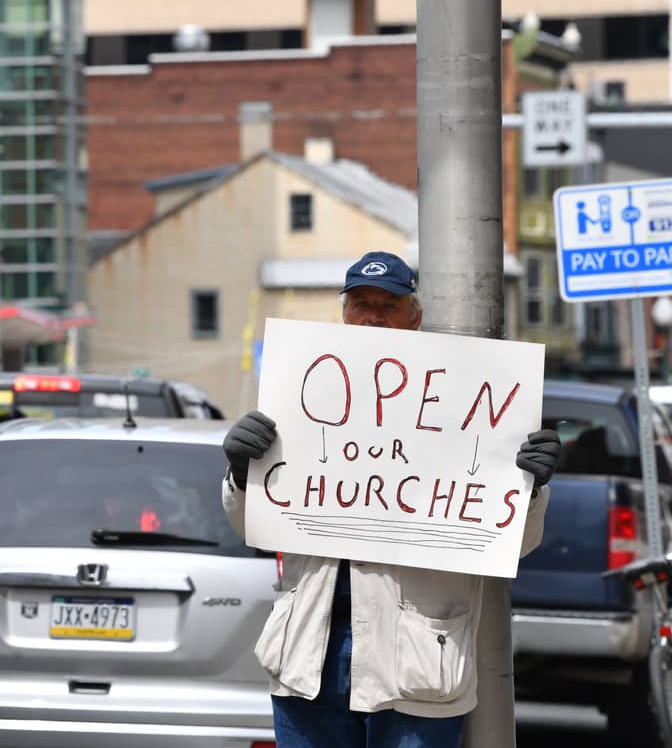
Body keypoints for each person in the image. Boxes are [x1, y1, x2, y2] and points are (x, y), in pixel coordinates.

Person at [221, 250, 561, 748]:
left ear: (415, 318)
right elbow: (246, 524)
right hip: (306, 658)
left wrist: (532, 485)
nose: (373, 316)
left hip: (416, 668)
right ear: (344, 313)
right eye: (360, 303)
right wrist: (240, 471)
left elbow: (515, 544)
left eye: (389, 304)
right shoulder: (301, 395)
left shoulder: (458, 401)